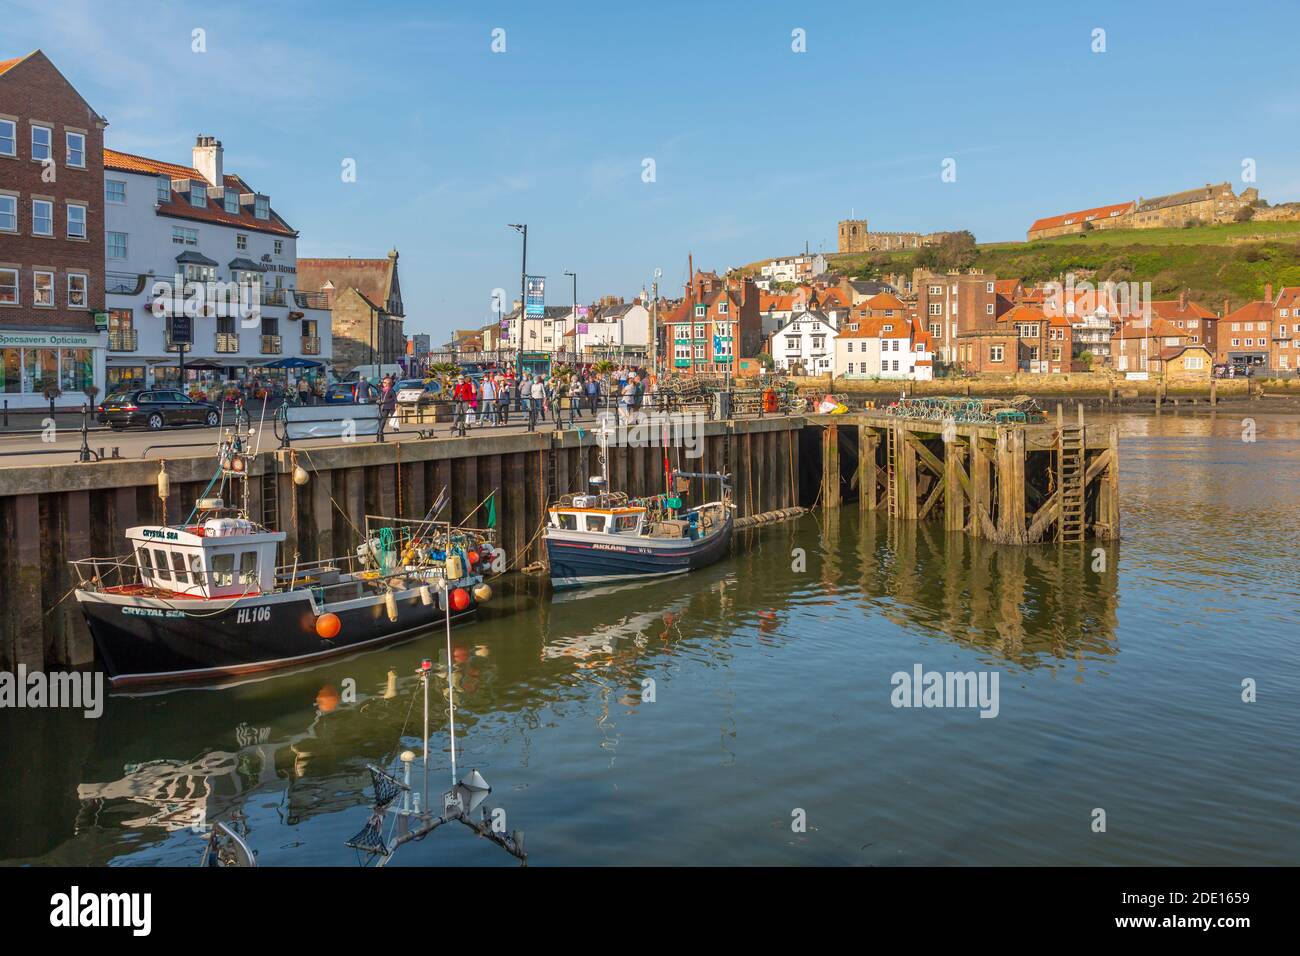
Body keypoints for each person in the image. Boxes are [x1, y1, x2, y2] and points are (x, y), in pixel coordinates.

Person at [377, 375, 397, 441]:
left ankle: (380, 432)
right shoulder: (383, 390)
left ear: (388, 384)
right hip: (383, 406)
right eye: (383, 382)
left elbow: (395, 398)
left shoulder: (391, 390)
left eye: (384, 382)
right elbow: (381, 397)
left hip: (389, 406)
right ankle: (380, 433)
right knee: (381, 419)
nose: (383, 383)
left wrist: (395, 404)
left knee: (384, 419)